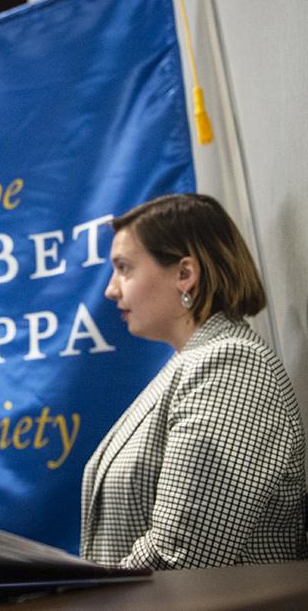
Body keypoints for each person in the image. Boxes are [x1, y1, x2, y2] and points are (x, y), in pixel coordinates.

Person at [80, 193, 307, 569]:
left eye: (124, 268)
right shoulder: (191, 363)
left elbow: (181, 554)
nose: (110, 289)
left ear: (185, 274)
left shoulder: (230, 366)